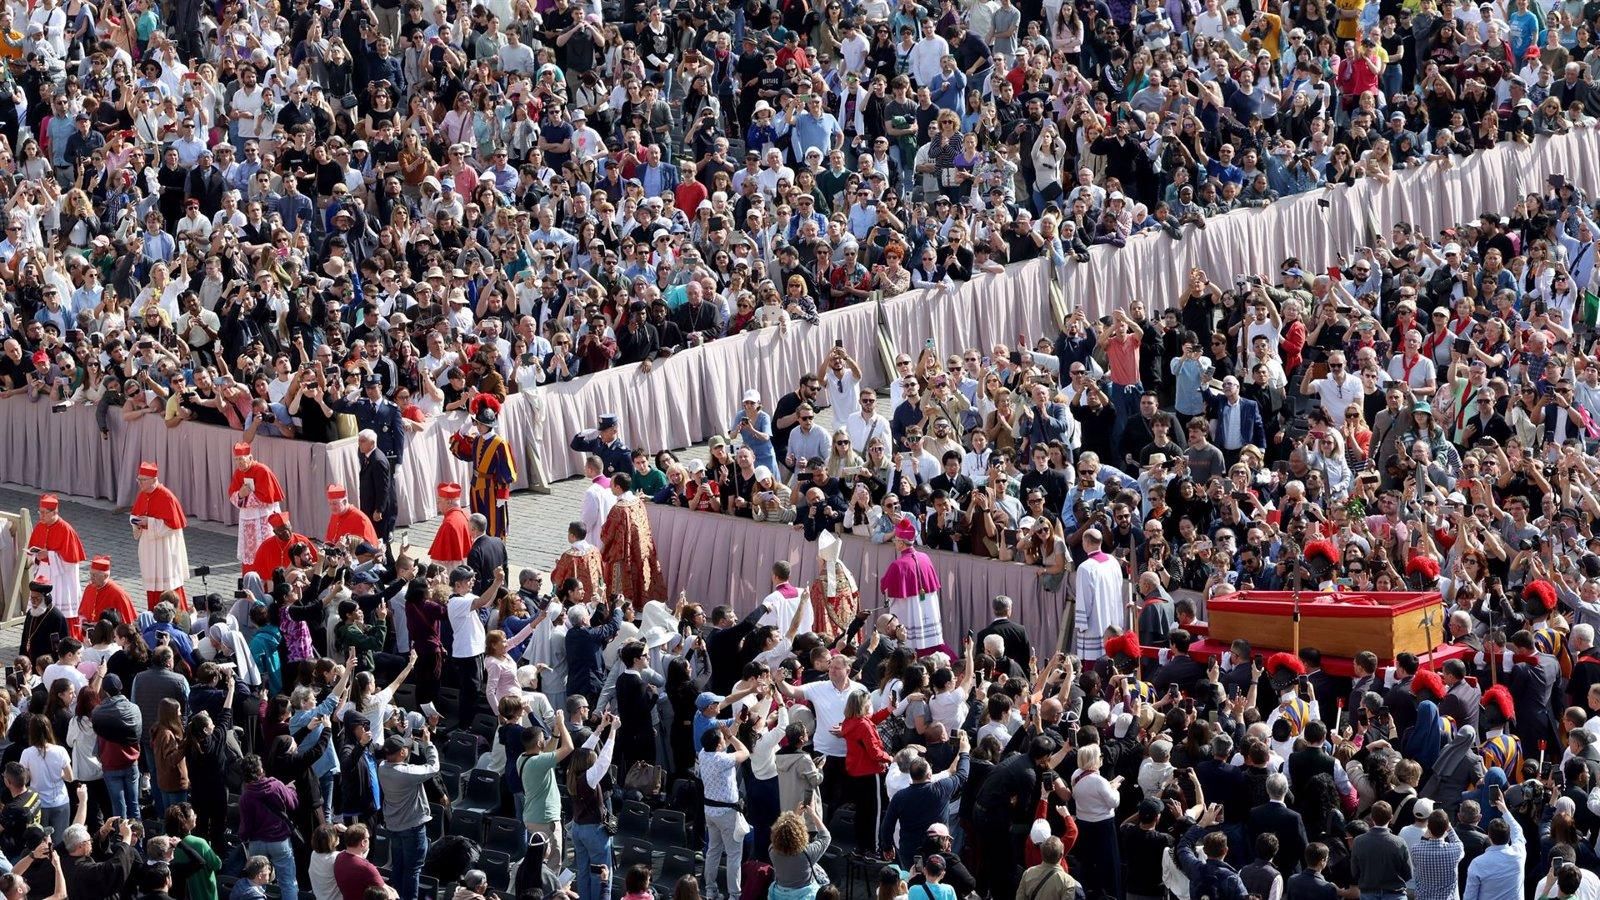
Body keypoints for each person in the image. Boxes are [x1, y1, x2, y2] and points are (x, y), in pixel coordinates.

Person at [377, 721, 441, 900]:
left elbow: (404, 762)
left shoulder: (382, 767)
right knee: (413, 870)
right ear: (402, 753)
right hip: (412, 828)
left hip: (394, 826)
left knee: (398, 866)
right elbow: (433, 767)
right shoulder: (406, 773)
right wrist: (428, 744)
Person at [450, 396, 518, 539]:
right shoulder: (477, 440)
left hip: (492, 490)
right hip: (475, 487)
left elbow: (506, 471)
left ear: (489, 425)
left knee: (495, 524)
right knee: (477, 523)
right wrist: (465, 428)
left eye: (481, 424)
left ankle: (497, 552)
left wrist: (502, 495)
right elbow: (458, 449)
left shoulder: (500, 444)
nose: (478, 426)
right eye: (477, 423)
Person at [880, 517, 948, 658]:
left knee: (910, 639)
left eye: (896, 540)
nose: (894, 543)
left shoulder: (898, 565)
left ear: (901, 542)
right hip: (926, 604)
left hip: (908, 608)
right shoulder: (925, 557)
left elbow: (886, 589)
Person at [599, 473, 666, 607]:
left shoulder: (619, 509)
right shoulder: (638, 501)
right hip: (642, 550)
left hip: (624, 555)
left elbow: (608, 534)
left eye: (611, 485)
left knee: (620, 587)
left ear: (618, 487)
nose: (610, 487)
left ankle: (619, 610)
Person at [131, 462, 190, 611]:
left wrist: (149, 522)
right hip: (149, 547)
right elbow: (134, 514)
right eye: (138, 479)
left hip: (165, 549)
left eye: (142, 480)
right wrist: (136, 521)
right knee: (152, 587)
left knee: (168, 587)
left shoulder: (166, 497)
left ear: (152, 479)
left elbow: (173, 525)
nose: (139, 483)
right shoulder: (142, 495)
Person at [26, 494, 85, 636]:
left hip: (62, 578)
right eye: (40, 512)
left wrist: (50, 555)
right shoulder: (40, 526)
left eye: (45, 513)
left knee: (61, 609)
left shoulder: (66, 529)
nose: (41, 516)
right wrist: (37, 556)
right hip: (45, 572)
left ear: (55, 512)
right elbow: (33, 552)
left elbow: (71, 561)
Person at [227, 442, 285, 565]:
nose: (239, 463)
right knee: (250, 552)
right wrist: (240, 495)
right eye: (236, 460)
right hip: (247, 518)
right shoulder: (238, 472)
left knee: (265, 547)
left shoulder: (262, 470)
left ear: (250, 457)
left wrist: (245, 495)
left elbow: (267, 497)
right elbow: (232, 494)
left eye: (241, 459)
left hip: (264, 517)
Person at [1073, 529, 1125, 661]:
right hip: (1113, 621)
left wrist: (1081, 625)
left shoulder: (1085, 567)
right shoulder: (1113, 561)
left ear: (1086, 542)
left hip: (1095, 625)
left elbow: (1084, 600)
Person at [77, 557, 134, 626]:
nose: (91, 578)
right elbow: (82, 612)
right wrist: (83, 620)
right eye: (91, 574)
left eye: (94, 575)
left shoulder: (118, 595)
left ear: (105, 576)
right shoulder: (89, 588)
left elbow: (125, 626)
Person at [428, 485, 472, 571]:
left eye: (439, 500)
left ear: (449, 502)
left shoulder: (449, 523)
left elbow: (439, 560)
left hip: (452, 568)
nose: (437, 504)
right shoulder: (466, 514)